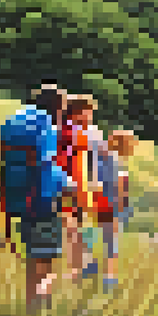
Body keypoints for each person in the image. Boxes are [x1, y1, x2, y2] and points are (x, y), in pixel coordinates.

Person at [0, 83, 73, 312]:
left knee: (33, 258)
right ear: (57, 108)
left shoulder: (16, 120)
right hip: (42, 200)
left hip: (17, 198)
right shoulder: (46, 125)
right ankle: (41, 311)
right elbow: (45, 165)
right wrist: (68, 183)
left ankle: (31, 305)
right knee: (46, 262)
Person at [56, 94, 98, 282]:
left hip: (75, 187)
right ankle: (81, 266)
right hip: (67, 186)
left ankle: (81, 266)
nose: (89, 119)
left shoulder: (75, 132)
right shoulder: (69, 132)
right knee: (70, 225)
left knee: (73, 226)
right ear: (75, 113)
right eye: (87, 114)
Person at [90, 128, 137, 292]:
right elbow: (117, 186)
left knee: (98, 239)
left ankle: (95, 270)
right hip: (111, 204)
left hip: (99, 202)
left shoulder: (100, 155)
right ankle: (109, 279)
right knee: (111, 244)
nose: (132, 149)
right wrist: (123, 207)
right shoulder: (112, 159)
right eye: (131, 145)